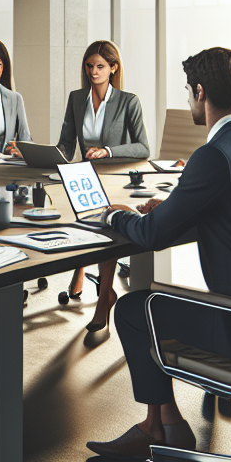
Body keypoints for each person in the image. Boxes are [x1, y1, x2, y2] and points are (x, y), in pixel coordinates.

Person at [86, 47, 231, 459]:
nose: (188, 101)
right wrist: (171, 211)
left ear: (200, 93)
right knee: (152, 306)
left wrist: (116, 218)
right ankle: (168, 423)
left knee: (133, 311)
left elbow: (150, 237)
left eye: (188, 91)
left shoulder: (213, 156)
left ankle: (156, 426)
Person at [56, 41, 150, 345]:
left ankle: (105, 295)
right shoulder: (76, 98)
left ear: (113, 68)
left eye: (100, 66)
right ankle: (83, 270)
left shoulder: (127, 102)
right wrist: (37, 154)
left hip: (114, 178)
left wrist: (108, 150)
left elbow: (143, 147)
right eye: (89, 66)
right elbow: (65, 146)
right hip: (84, 177)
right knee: (82, 218)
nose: (93, 72)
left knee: (104, 224)